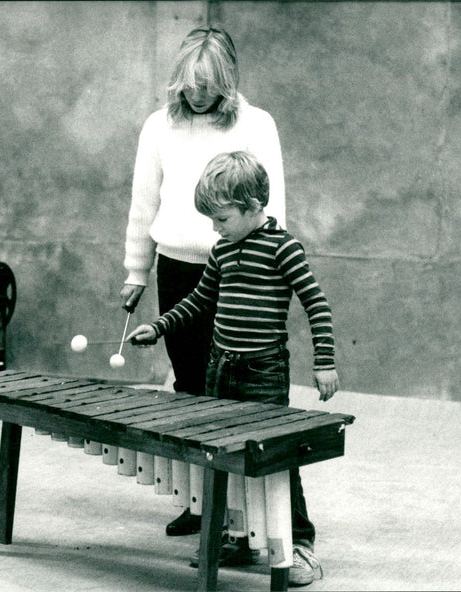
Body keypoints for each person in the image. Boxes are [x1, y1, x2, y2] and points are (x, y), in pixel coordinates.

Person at [127, 151, 339, 587]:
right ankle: (241, 537)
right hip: (220, 367)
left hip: (262, 372)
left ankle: (301, 546)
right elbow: (199, 301)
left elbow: (316, 305)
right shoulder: (223, 250)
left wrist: (325, 362)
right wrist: (158, 326)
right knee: (224, 456)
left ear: (253, 206)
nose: (214, 228)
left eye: (221, 218)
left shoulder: (284, 249)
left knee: (275, 459)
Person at [120, 25, 286, 539]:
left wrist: (262, 275)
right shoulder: (157, 127)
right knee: (191, 391)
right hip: (176, 269)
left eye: (208, 83)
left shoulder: (257, 124)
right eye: (190, 82)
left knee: (240, 398)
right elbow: (144, 203)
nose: (197, 92)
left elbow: (270, 205)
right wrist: (136, 271)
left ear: (227, 79)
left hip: (237, 272)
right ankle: (200, 503)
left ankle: (265, 521)